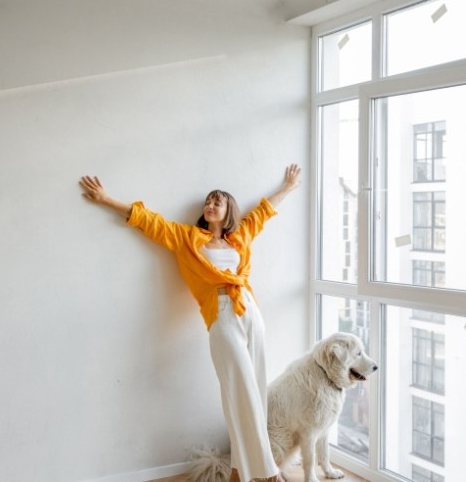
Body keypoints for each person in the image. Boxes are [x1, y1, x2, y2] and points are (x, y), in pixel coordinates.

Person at [78, 164, 302, 482]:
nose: (209, 206)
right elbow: (148, 221)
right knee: (240, 392)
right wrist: (106, 199)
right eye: (207, 203)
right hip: (221, 314)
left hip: (251, 310)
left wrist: (289, 186)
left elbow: (264, 211)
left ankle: (239, 470)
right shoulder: (187, 239)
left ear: (228, 212)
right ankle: (269, 473)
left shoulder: (241, 236)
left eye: (217, 202)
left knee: (255, 391)